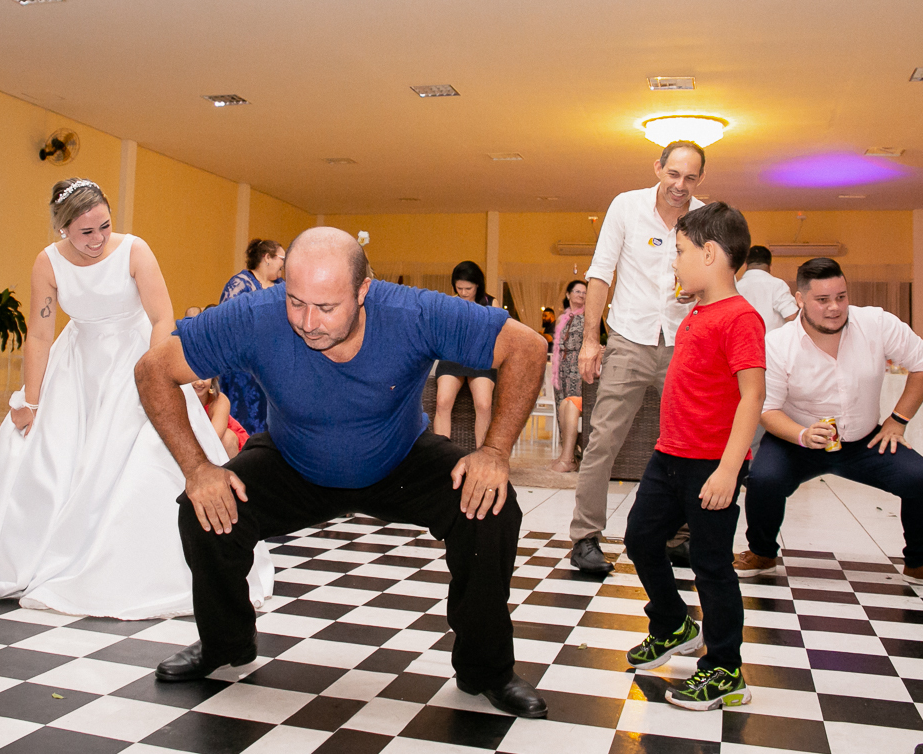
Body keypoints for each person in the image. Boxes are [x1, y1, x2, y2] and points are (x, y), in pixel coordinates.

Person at [135, 227, 551, 719]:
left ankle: (487, 670)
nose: (308, 322)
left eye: (326, 308)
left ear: (363, 291)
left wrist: (495, 452)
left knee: (491, 507)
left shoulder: (412, 312)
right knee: (203, 510)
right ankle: (225, 644)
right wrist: (198, 468)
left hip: (398, 458)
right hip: (294, 460)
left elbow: (526, 347)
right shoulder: (255, 316)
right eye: (296, 302)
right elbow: (153, 369)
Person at [0, 179, 273, 617]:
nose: (97, 240)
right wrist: (33, 401)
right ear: (62, 230)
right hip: (76, 367)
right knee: (47, 457)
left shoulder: (135, 250)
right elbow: (40, 334)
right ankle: (44, 554)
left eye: (104, 227)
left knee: (143, 457)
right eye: (85, 232)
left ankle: (144, 565)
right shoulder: (47, 263)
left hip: (137, 360)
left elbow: (160, 317)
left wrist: (154, 378)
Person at [623, 202, 765, 711]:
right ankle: (672, 623)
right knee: (640, 538)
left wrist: (730, 469)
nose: (674, 263)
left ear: (710, 254)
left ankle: (725, 669)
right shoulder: (698, 310)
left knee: (711, 567)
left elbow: (752, 396)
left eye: (680, 252)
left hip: (711, 465)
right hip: (669, 457)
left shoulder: (740, 318)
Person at [734, 258, 923, 583]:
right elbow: (767, 409)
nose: (834, 308)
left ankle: (918, 561)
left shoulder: (877, 324)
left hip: (864, 441)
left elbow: (920, 364)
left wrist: (898, 419)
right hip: (795, 439)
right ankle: (762, 553)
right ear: (800, 300)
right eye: (822, 300)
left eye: (841, 296)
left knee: (918, 478)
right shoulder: (778, 344)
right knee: (763, 480)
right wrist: (804, 435)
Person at [570, 141, 707, 574]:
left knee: (688, 443)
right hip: (629, 339)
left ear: (699, 179)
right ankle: (585, 538)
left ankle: (680, 537)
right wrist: (592, 341)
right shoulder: (626, 207)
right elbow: (600, 272)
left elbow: (716, 278)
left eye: (690, 178)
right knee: (602, 440)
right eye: (673, 175)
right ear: (658, 168)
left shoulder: (705, 218)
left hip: (684, 343)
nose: (680, 186)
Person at [217, 239, 285, 436]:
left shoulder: (282, 286)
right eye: (282, 258)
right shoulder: (240, 284)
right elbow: (225, 322)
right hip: (245, 368)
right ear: (267, 258)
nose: (284, 263)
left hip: (274, 366)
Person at [734, 245, 798, 455]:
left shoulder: (736, 285)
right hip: (769, 360)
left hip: (738, 359)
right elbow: (793, 318)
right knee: (766, 410)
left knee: (743, 410)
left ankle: (742, 462)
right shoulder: (776, 285)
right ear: (769, 265)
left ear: (745, 263)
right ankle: (761, 463)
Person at [434, 261, 501, 448]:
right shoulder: (450, 303)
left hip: (480, 359)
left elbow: (497, 334)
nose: (463, 292)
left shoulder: (491, 303)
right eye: (459, 288)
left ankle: (483, 455)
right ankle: (441, 455)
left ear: (477, 285)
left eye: (468, 288)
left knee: (483, 404)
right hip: (453, 357)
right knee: (442, 401)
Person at [551, 280, 587, 472]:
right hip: (561, 368)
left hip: (577, 367)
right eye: (577, 291)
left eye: (584, 292)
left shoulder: (590, 317)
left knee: (572, 404)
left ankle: (573, 454)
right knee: (560, 408)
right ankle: (566, 453)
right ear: (568, 295)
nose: (581, 295)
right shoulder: (561, 318)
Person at [192, 376, 248, 459]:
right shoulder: (178, 401)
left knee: (227, 438)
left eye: (204, 377)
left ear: (213, 379)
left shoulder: (219, 400)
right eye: (193, 378)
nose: (199, 383)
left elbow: (213, 437)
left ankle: (234, 472)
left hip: (233, 449)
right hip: (199, 447)